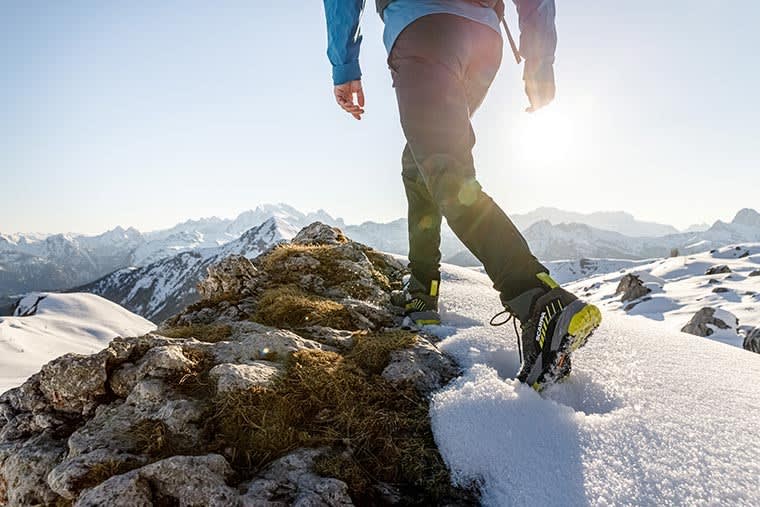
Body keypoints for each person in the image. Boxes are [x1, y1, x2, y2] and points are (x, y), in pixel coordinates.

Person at [321, 0, 601, 391]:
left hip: (423, 29)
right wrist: (539, 61)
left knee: (447, 171)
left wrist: (344, 63)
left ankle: (538, 300)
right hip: (483, 40)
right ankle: (422, 289)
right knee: (422, 163)